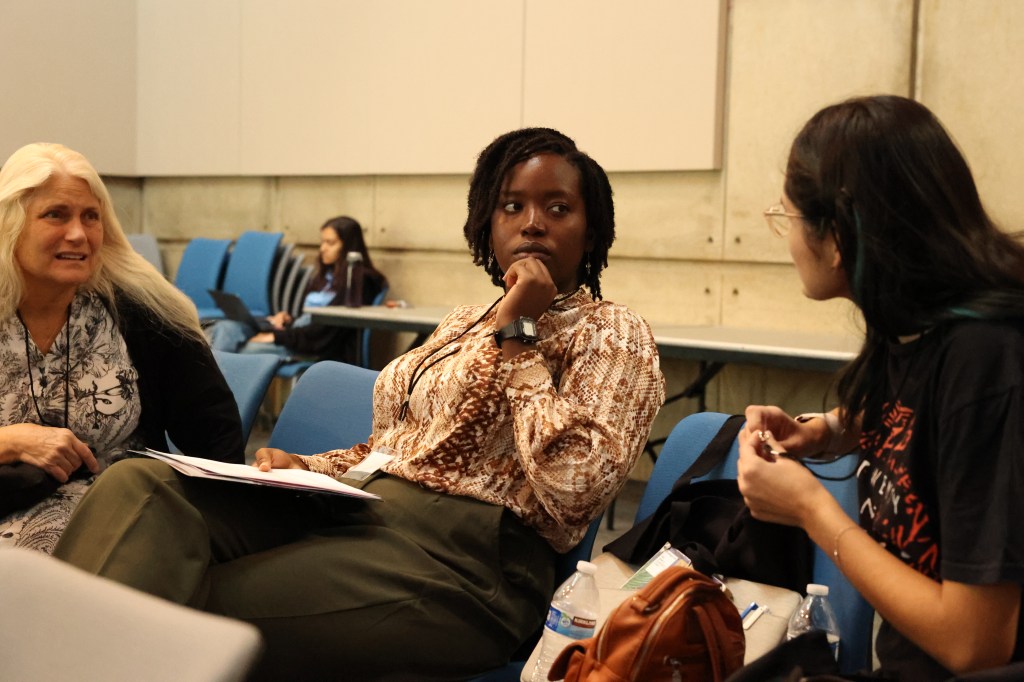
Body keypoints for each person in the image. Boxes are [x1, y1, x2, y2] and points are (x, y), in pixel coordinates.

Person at [52, 127, 665, 679]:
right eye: (513, 206)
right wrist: (311, 467)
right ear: (488, 223)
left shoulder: (613, 334)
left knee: (187, 595)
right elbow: (394, 448)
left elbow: (575, 488)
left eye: (558, 208)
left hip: (470, 565)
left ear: (590, 230)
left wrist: (520, 336)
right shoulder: (462, 322)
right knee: (139, 484)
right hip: (360, 510)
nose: (533, 223)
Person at [737, 96, 1024, 679]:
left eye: (788, 218)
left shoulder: (989, 363)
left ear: (838, 237)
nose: (787, 239)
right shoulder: (920, 324)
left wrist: (811, 510)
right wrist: (823, 432)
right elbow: (916, 406)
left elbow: (975, 644)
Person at [0, 142, 244, 554]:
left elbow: (216, 443)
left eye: (90, 216)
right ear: (12, 225)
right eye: (55, 214)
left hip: (121, 524)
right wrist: (10, 441)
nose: (78, 234)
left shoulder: (145, 313)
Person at [205, 215, 387, 362]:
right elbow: (306, 318)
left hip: (311, 346)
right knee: (227, 328)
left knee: (245, 349)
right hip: (297, 334)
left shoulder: (360, 280)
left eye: (330, 243)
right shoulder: (325, 277)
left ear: (348, 246)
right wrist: (287, 319)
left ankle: (216, 391)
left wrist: (278, 337)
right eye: (322, 242)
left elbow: (326, 334)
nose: (322, 249)